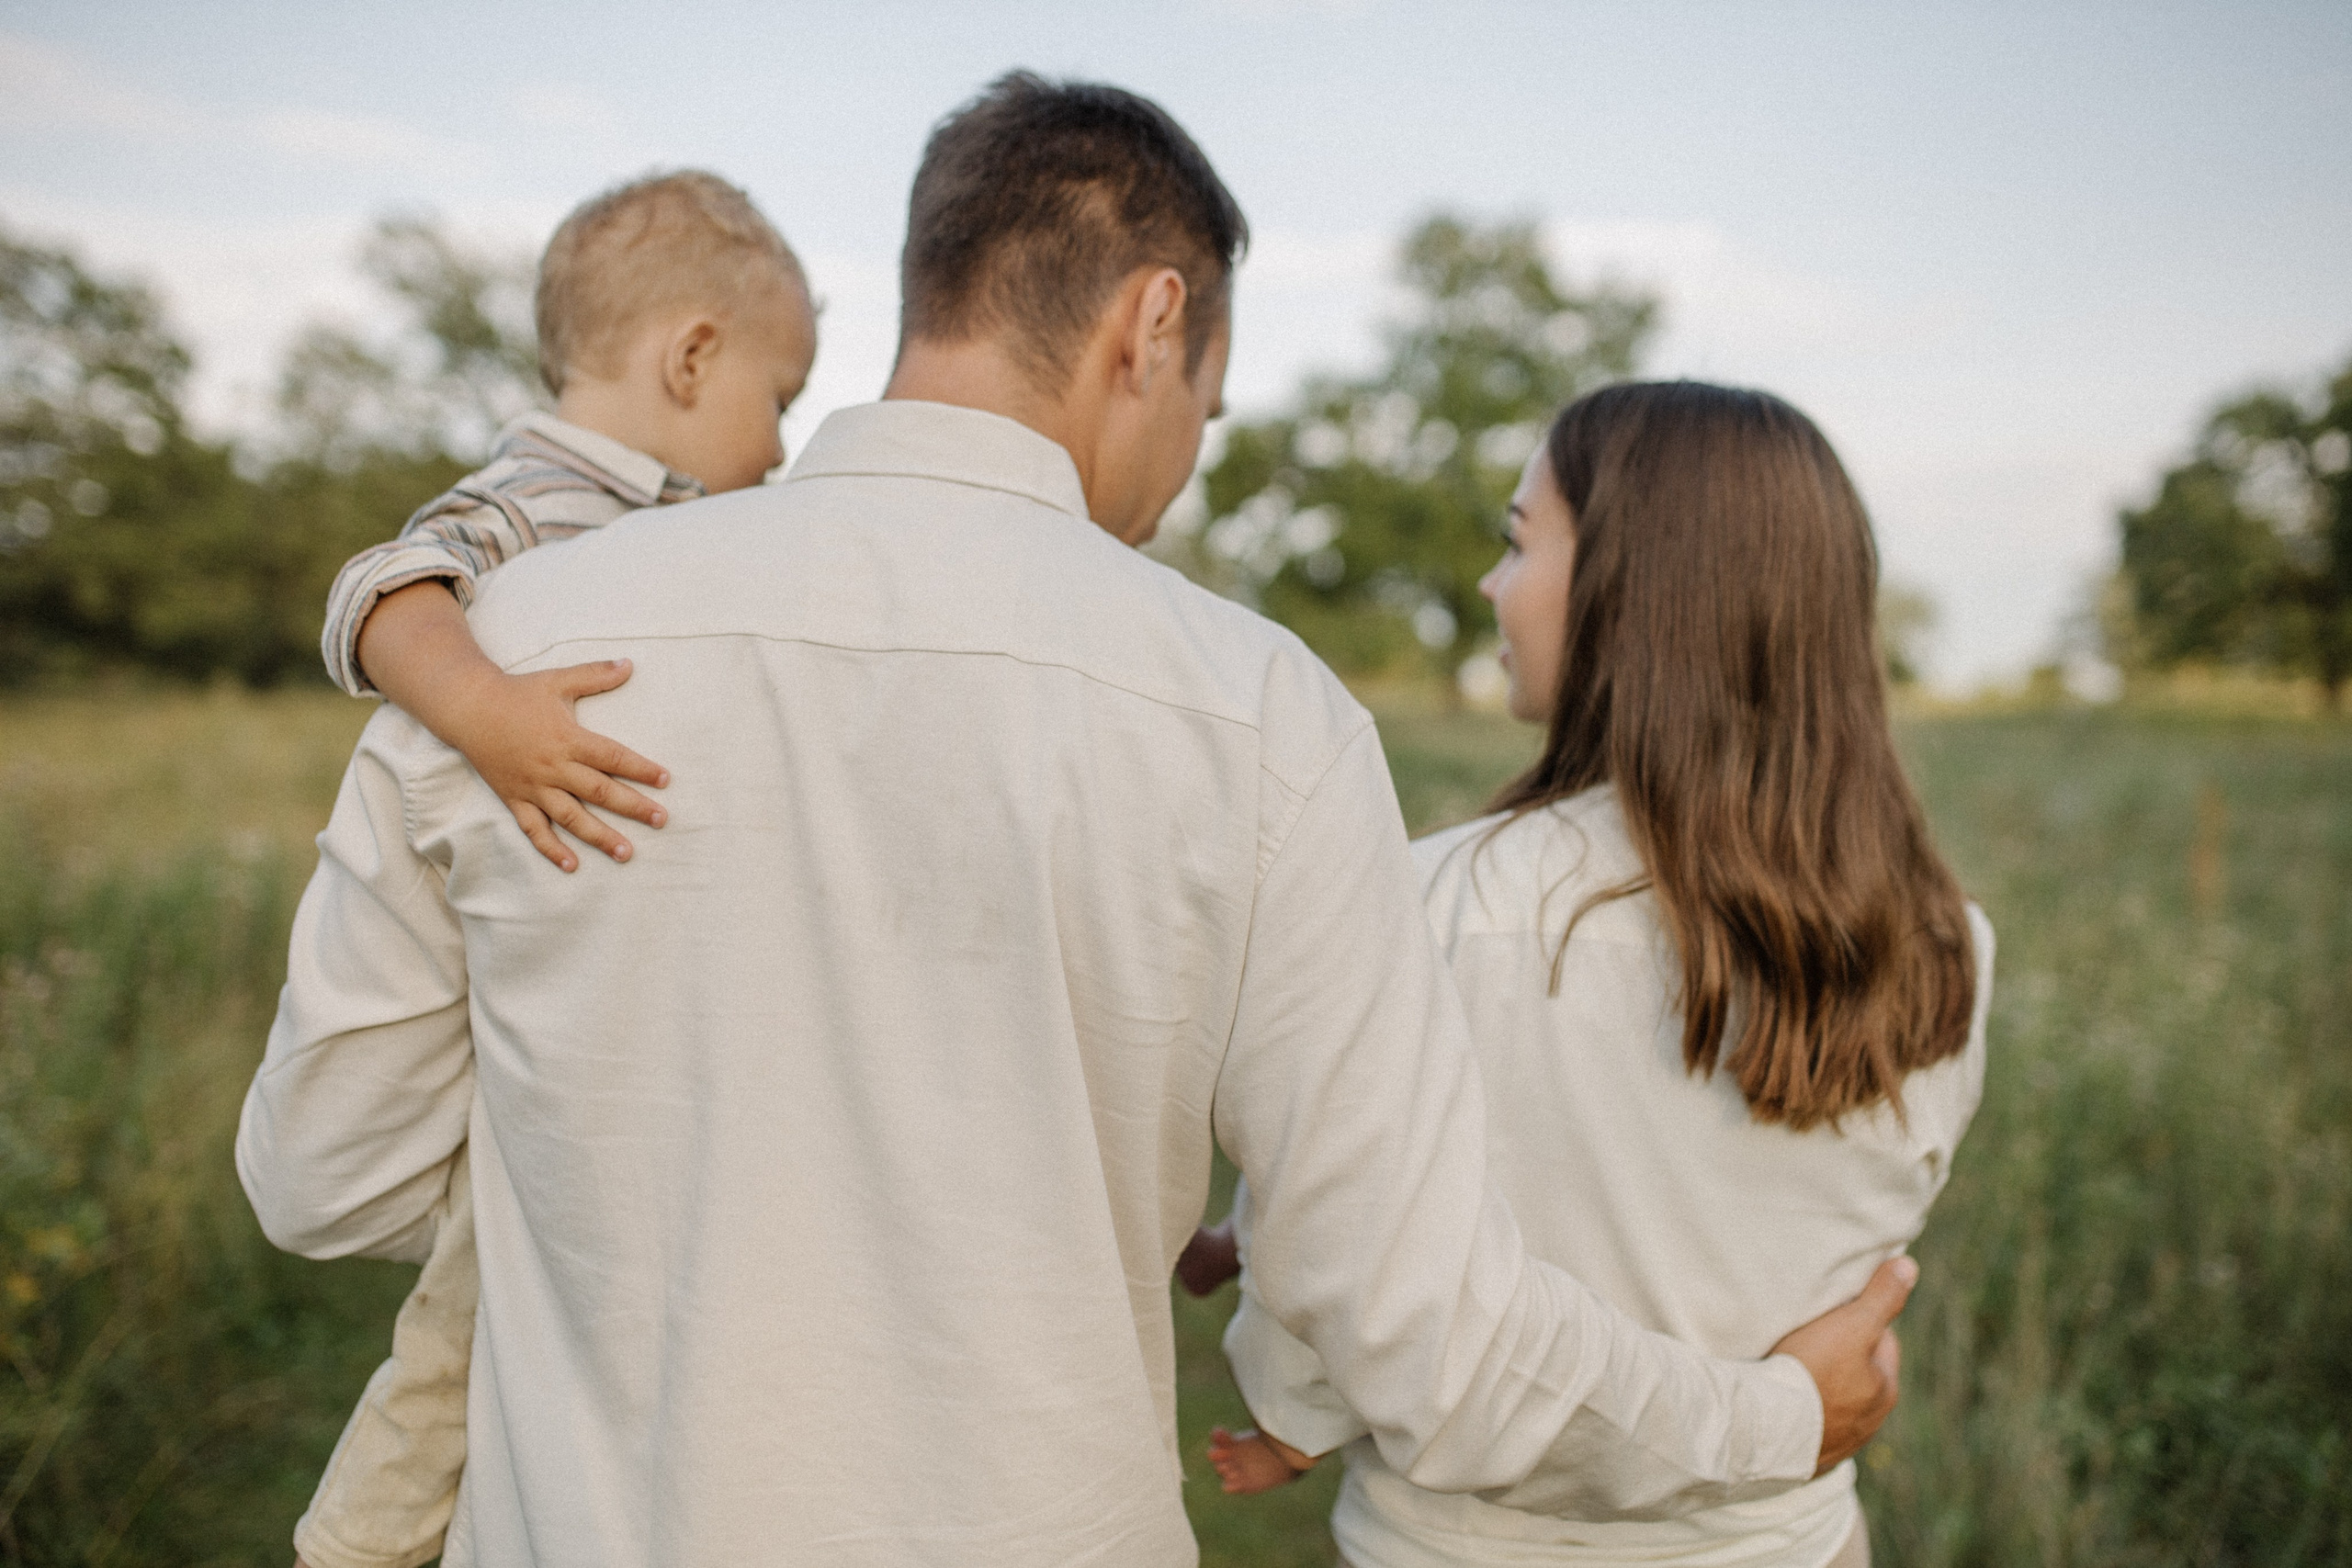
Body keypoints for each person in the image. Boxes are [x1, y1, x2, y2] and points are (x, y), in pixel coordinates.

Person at [240, 76, 1913, 1568]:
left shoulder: (500, 644)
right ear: (1151, 325)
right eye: (1211, 405)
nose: (1188, 456)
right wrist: (1775, 1421)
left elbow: (324, 1180)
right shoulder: (1261, 718)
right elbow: (1414, 1328)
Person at [1204, 382, 1995, 1568]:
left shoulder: (1438, 905)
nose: (1490, 586)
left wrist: (1290, 1407)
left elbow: (1348, 1264)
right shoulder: (1949, 949)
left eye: (1520, 544)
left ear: (1637, 593)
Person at [288, 169, 817, 1568]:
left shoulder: (672, 516)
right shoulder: (541, 494)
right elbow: (381, 588)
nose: (783, 441)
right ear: (692, 355)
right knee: (456, 1335)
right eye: (782, 395)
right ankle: (354, 1544)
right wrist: (489, 714)